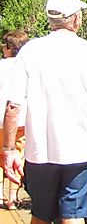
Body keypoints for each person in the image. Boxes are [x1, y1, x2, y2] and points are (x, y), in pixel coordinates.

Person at [2, 0, 87, 224]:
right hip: (80, 151)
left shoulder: (30, 52)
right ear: (76, 19)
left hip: (39, 152)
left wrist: (9, 150)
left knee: (39, 215)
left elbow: (13, 106)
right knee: (74, 216)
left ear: (51, 20)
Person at [0, 30, 27, 210]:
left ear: (9, 47)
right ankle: (12, 197)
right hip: (20, 121)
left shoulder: (1, 66)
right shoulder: (26, 67)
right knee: (17, 157)